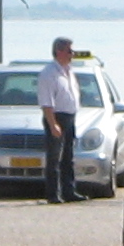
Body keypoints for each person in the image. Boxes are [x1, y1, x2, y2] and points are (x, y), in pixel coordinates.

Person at [38, 37, 85, 204]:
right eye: (69, 51)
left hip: (70, 117)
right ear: (59, 51)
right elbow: (46, 103)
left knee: (68, 157)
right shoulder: (49, 73)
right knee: (54, 158)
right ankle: (53, 194)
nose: (72, 54)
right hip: (56, 117)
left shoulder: (69, 71)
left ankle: (69, 191)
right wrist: (53, 125)